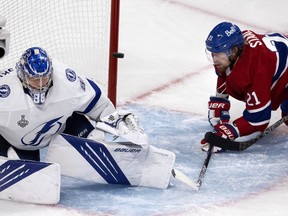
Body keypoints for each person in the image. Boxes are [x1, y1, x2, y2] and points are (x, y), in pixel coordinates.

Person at [0, 46, 147, 161]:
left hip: (59, 131)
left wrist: (117, 121)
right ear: (22, 76)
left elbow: (98, 104)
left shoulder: (66, 80)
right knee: (19, 164)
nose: (40, 84)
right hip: (13, 143)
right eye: (34, 79)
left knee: (96, 138)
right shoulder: (5, 91)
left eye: (44, 78)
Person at [201, 21, 288, 152]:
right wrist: (220, 98)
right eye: (212, 53)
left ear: (234, 51)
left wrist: (232, 130)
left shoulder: (257, 69)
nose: (214, 59)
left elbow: (259, 119)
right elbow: (227, 72)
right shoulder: (235, 49)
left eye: (218, 54)